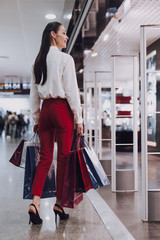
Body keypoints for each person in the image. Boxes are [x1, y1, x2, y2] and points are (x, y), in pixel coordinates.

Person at [29, 22, 83, 225]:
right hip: (62, 111)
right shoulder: (64, 59)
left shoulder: (37, 62)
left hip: (45, 111)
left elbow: (34, 95)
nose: (66, 37)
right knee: (62, 158)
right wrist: (79, 118)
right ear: (53, 35)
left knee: (44, 158)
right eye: (64, 33)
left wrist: (36, 118)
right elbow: (71, 91)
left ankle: (34, 203)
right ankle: (59, 202)